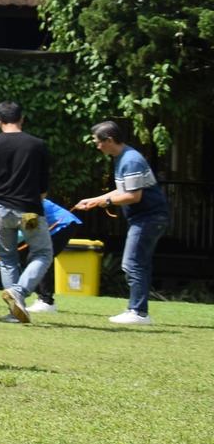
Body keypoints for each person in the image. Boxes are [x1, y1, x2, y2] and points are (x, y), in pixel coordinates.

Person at [76, 120, 171, 326]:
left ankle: (137, 312)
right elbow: (123, 191)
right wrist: (95, 200)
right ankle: (139, 310)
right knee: (139, 264)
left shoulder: (131, 160)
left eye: (98, 142)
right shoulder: (123, 158)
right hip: (147, 218)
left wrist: (105, 201)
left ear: (109, 140)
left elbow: (133, 196)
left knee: (132, 263)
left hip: (149, 218)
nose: (97, 146)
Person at [0, 100, 54, 322]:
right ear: (22, 118)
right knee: (43, 253)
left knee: (7, 257)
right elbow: (43, 185)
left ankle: (14, 313)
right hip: (29, 211)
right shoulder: (37, 145)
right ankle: (20, 291)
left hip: (0, 210)